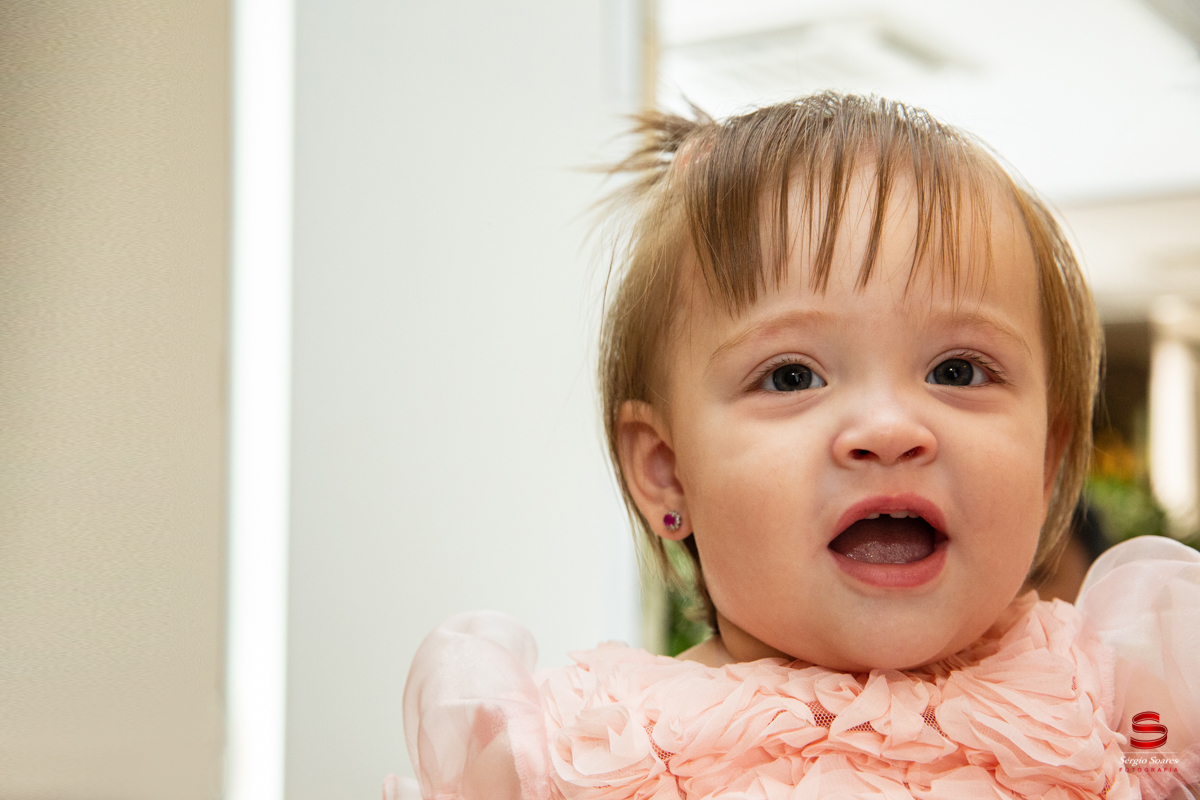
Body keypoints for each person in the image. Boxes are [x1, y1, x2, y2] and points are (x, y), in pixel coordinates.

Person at [394, 93, 1200, 800]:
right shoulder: (580, 760)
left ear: (1050, 460)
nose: (889, 429)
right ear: (668, 472)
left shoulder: (1124, 714)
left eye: (956, 370)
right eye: (791, 376)